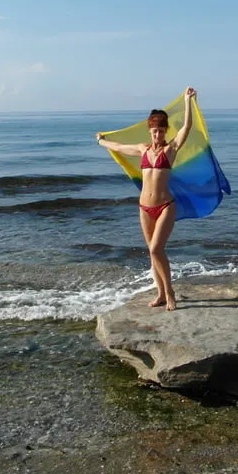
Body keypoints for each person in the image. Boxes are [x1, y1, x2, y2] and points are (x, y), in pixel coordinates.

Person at [96, 87, 197, 311]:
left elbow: (187, 127)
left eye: (161, 131)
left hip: (165, 207)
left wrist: (188, 100)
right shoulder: (143, 149)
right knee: (152, 252)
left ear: (165, 131)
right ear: (149, 130)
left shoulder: (170, 150)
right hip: (144, 207)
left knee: (155, 250)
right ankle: (159, 293)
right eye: (154, 131)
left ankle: (170, 292)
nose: (158, 135)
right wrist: (102, 141)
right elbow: (120, 147)